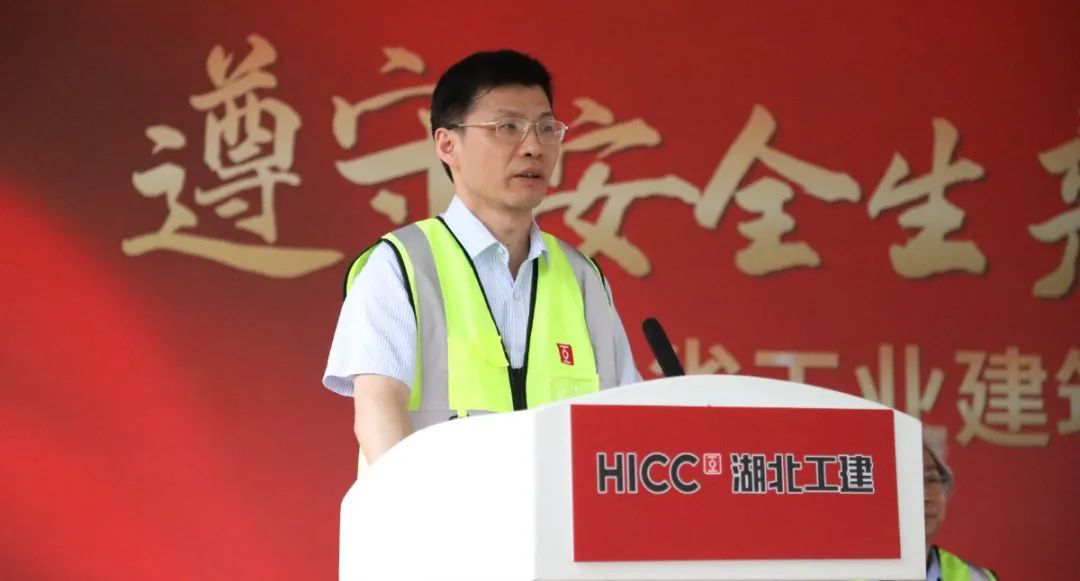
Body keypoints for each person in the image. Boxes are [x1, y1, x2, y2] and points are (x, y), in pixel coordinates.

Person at [323, 49, 641, 467]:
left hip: (560, 511)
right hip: (436, 509)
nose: (534, 147)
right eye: (507, 127)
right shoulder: (400, 267)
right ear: (447, 144)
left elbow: (629, 422)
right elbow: (378, 416)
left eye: (546, 128)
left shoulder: (583, 279)